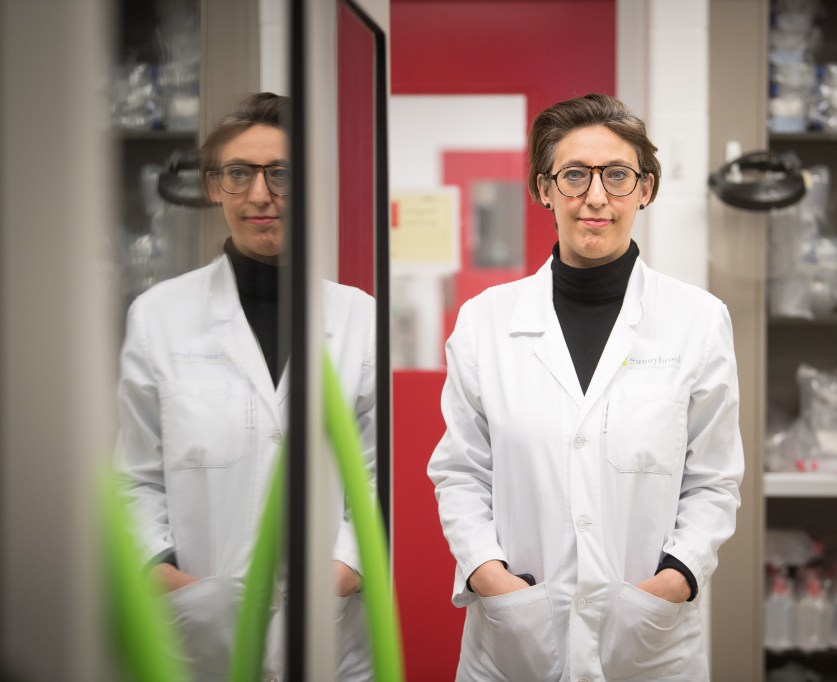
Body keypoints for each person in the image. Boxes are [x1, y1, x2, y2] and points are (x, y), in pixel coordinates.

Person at [427, 93, 744, 681]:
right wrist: (487, 574)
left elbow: (714, 479)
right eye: (574, 175)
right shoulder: (485, 320)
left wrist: (675, 579)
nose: (596, 196)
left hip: (647, 641)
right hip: (517, 638)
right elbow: (462, 473)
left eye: (617, 176)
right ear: (543, 189)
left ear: (645, 189)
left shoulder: (698, 320)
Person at [114, 92, 375, 681]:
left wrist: (344, 569)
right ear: (214, 187)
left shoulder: (359, 317)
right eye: (239, 174)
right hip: (201, 629)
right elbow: (135, 476)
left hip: (329, 632)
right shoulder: (159, 315)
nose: (261, 195)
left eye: (281, 174)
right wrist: (170, 579)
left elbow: (377, 473)